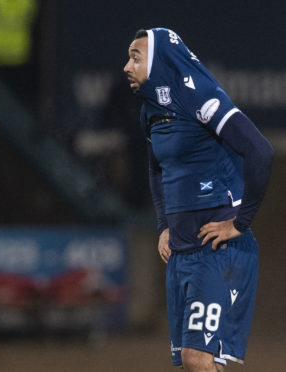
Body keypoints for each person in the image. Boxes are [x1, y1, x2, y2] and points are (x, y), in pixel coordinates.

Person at [123, 28, 273, 371]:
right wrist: (163, 225)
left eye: (135, 57)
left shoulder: (200, 96)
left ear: (160, 60)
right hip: (181, 251)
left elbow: (261, 152)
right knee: (204, 363)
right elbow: (156, 169)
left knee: (197, 359)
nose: (126, 67)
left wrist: (241, 223)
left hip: (216, 251)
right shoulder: (150, 109)